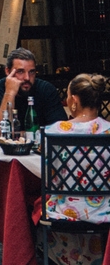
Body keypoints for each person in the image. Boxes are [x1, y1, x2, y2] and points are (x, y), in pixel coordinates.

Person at [42, 73, 110, 264]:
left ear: (74, 100)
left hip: (64, 211)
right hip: (105, 210)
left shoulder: (53, 131)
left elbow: (49, 179)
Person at [0, 48, 67, 136]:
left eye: (31, 72)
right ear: (8, 71)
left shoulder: (46, 89)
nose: (27, 78)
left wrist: (20, 135)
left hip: (40, 148)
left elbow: (61, 129)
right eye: (20, 71)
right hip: (1, 149)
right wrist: (9, 93)